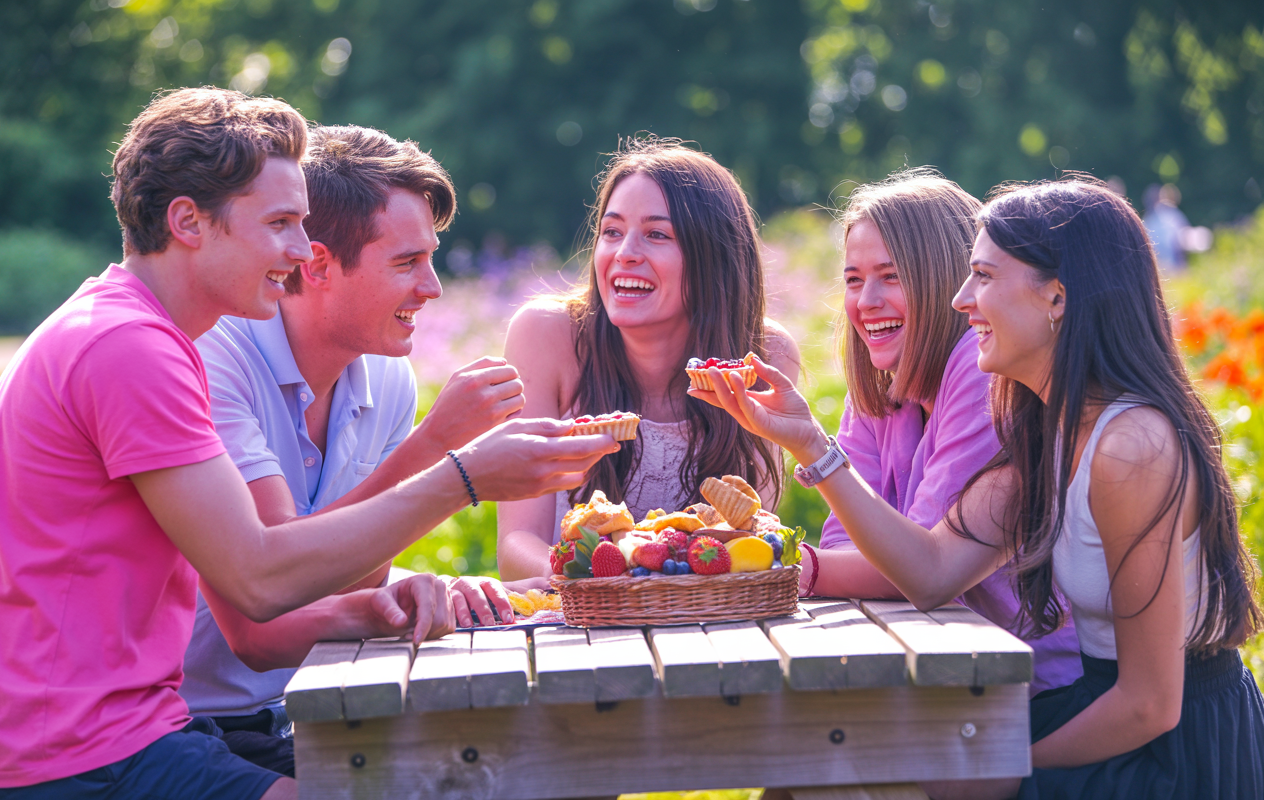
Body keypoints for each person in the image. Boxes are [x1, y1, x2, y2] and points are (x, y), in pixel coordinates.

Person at [0, 88, 617, 799]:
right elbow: (258, 583)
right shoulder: (131, 348)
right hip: (76, 752)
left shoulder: (139, 332)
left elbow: (276, 574)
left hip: (119, 733)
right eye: (281, 222)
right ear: (188, 222)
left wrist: (382, 601)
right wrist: (462, 474)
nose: (296, 250)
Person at [697, 177, 1264, 799]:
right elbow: (932, 570)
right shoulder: (1043, 431)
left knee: (856, 780)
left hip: (1166, 753)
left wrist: (1001, 763)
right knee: (816, 766)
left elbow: (1151, 705)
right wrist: (808, 442)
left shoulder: (1132, 448)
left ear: (1057, 297)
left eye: (985, 277)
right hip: (1095, 712)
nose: (963, 300)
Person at [180, 124, 533, 777]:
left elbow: (359, 569)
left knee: (525, 763)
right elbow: (269, 599)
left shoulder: (385, 374)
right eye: (405, 263)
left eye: (431, 257)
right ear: (315, 266)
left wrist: (426, 592)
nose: (431, 288)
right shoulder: (215, 359)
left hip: (303, 707)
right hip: (185, 725)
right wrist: (439, 450)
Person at [786, 169, 1080, 696]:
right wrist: (817, 562)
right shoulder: (880, 383)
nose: (866, 301)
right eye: (854, 279)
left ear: (945, 278)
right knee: (807, 747)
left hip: (1030, 682)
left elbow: (915, 566)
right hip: (934, 658)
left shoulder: (980, 369)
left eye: (891, 276)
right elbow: (845, 539)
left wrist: (790, 566)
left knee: (823, 744)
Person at [496, 137, 800, 580]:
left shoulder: (765, 356)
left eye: (656, 234)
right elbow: (515, 546)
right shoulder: (546, 335)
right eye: (612, 232)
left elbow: (751, 539)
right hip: (580, 622)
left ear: (713, 258)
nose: (625, 254)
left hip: (713, 622)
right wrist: (613, 584)